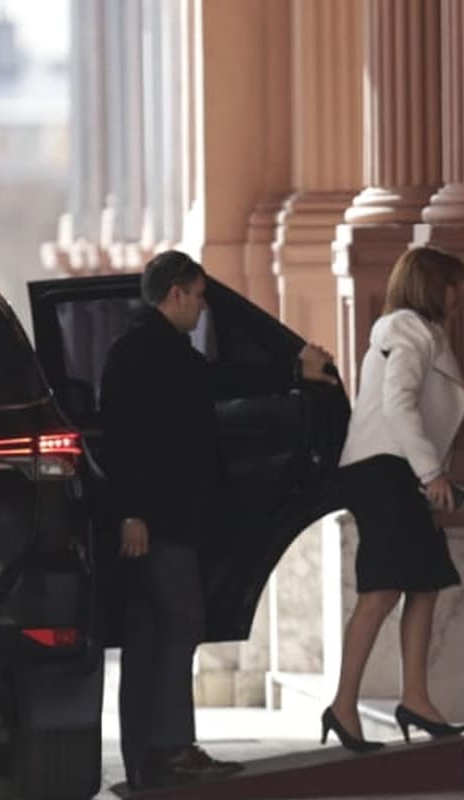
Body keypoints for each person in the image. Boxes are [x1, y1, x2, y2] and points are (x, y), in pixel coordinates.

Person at [99, 250, 334, 789]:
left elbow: (212, 384)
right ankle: (172, 750)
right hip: (158, 521)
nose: (204, 308)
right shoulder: (146, 351)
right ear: (176, 294)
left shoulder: (153, 347)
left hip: (161, 518)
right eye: (199, 296)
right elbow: (126, 439)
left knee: (153, 634)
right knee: (179, 624)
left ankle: (150, 757)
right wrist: (130, 512)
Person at [322, 245, 464, 752]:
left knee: (425, 581)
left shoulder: (418, 331)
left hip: (392, 470)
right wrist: (431, 473)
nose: (458, 296)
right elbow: (399, 403)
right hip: (383, 469)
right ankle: (343, 706)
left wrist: (429, 474)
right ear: (433, 285)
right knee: (382, 589)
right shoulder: (407, 329)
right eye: (453, 284)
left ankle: (416, 698)